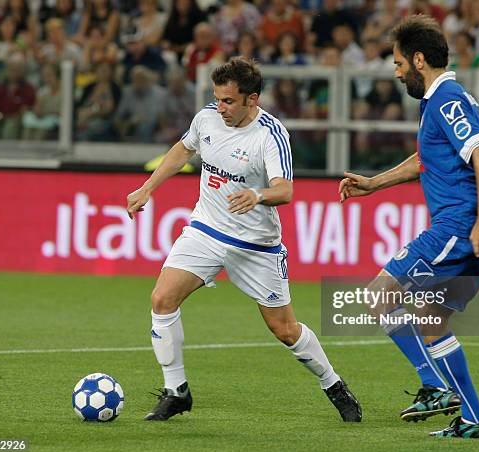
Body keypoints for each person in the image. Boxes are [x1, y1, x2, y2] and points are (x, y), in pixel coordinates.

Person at [126, 58, 362, 423]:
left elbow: (285, 191)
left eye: (228, 101)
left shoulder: (271, 134)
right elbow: (184, 149)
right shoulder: (207, 117)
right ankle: (176, 392)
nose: (220, 108)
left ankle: (333, 383)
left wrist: (258, 195)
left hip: (256, 245)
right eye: (217, 99)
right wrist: (148, 187)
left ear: (252, 99)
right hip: (206, 229)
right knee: (162, 299)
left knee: (284, 330)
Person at [339, 15, 479, 439]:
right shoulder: (437, 101)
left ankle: (434, 386)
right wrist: (374, 183)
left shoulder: (447, 98)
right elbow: (425, 159)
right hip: (474, 225)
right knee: (431, 318)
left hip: (462, 224)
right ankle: (473, 421)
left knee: (379, 295)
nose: (395, 73)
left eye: (398, 63)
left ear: (418, 59)